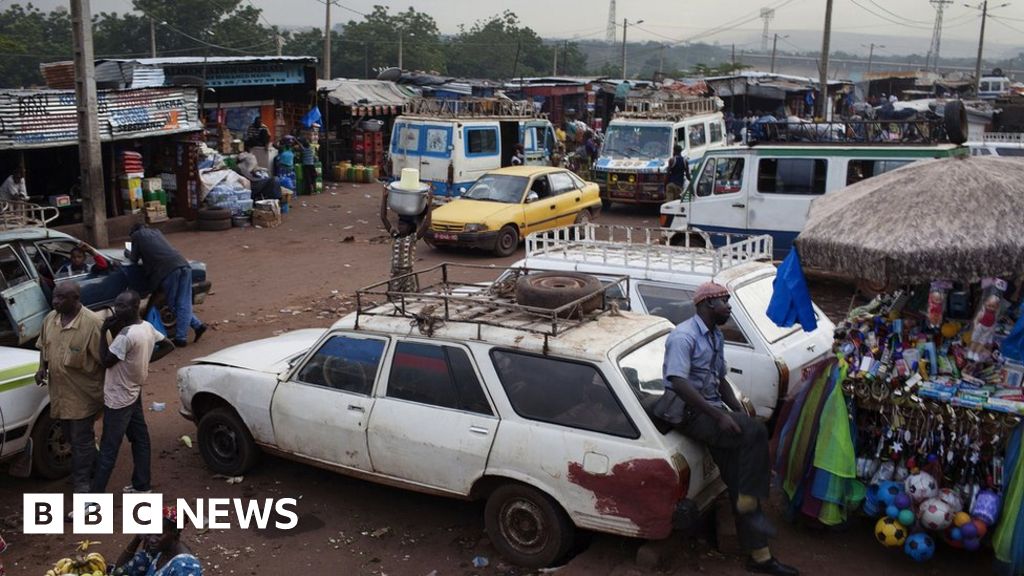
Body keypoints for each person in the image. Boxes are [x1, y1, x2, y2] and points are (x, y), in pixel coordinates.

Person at [655, 282, 798, 576]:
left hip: (710, 409)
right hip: (688, 412)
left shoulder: (715, 336)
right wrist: (719, 417)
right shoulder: (683, 337)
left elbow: (719, 380)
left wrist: (734, 410)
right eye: (725, 301)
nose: (729, 307)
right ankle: (751, 496)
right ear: (708, 305)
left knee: (738, 476)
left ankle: (759, 558)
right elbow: (678, 382)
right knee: (755, 432)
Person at [91, 290, 173, 495]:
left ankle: (93, 501)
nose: (117, 310)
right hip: (133, 391)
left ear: (135, 306)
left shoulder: (126, 335)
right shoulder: (146, 327)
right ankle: (141, 485)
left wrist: (102, 333)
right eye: (116, 305)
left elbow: (105, 361)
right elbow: (167, 345)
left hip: (118, 398)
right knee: (140, 439)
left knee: (109, 448)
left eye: (122, 306)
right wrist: (142, 362)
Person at [34, 281, 104, 494]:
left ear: (75, 299)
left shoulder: (92, 324)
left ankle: (82, 482)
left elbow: (106, 360)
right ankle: (96, 466)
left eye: (61, 298)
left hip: (83, 395)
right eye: (55, 297)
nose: (55, 301)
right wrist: (41, 368)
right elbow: (44, 347)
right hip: (60, 394)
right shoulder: (50, 320)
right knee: (70, 436)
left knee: (81, 439)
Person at [128, 224, 207, 348]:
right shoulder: (156, 232)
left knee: (175, 304)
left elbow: (133, 259)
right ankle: (197, 326)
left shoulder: (136, 236)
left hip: (168, 271)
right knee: (184, 302)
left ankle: (181, 338)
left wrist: (128, 252)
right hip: (183, 264)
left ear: (133, 232)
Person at [112, 506, 202, 576]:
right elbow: (120, 571)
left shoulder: (185, 567)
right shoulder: (157, 552)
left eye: (158, 535)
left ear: (174, 532)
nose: (152, 540)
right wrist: (137, 538)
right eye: (149, 534)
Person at [380, 187, 432, 293]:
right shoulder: (395, 235)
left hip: (407, 274)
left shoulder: (412, 238)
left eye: (403, 225)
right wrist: (384, 198)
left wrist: (429, 203)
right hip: (394, 274)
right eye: (399, 224)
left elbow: (426, 224)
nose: (400, 226)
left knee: (409, 299)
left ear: (410, 227)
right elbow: (383, 218)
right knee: (393, 299)